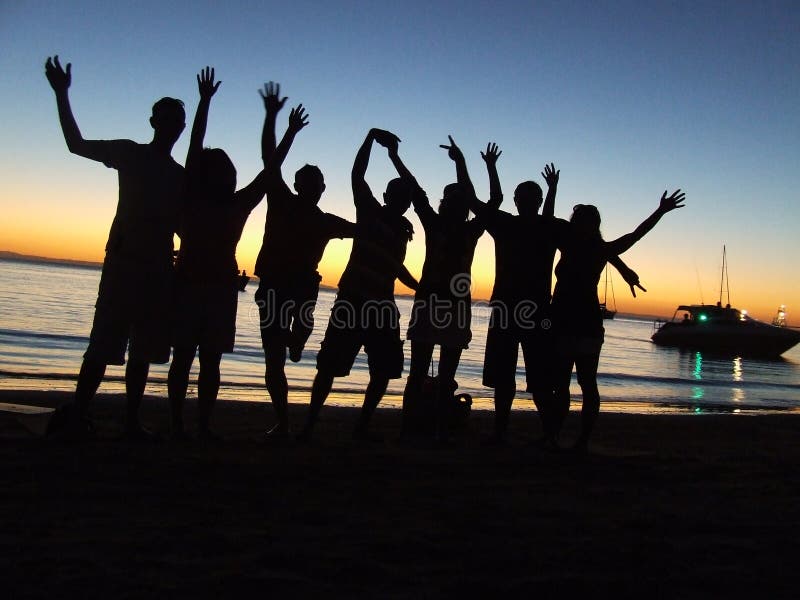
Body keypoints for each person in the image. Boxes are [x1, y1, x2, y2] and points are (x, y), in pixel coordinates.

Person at [44, 56, 185, 439]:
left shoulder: (180, 177)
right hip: (124, 264)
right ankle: (80, 411)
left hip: (157, 269)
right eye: (167, 119)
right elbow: (76, 144)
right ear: (154, 122)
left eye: (179, 122)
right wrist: (62, 93)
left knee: (141, 351)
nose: (173, 127)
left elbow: (185, 227)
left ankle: (131, 421)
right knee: (104, 343)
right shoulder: (130, 153)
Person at [468, 161, 641, 446]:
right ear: (519, 200)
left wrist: (623, 269)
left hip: (534, 312)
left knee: (539, 380)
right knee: (518, 378)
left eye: (530, 198)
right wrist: (482, 166)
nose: (526, 202)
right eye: (525, 198)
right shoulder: (517, 224)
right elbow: (598, 246)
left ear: (532, 201)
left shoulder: (547, 227)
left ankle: (544, 433)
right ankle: (524, 433)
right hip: (524, 311)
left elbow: (593, 246)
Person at [166, 68, 269, 440]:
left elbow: (269, 172)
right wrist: (204, 102)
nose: (230, 176)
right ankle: (180, 423)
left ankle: (201, 424)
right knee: (185, 359)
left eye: (230, 171)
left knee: (208, 361)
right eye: (224, 170)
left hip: (217, 290)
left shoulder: (236, 204)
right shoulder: (194, 196)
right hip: (192, 285)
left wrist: (282, 128)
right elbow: (195, 147)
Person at [299, 129, 419, 441]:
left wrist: (419, 285)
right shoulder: (369, 211)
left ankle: (362, 425)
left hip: (382, 305)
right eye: (397, 195)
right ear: (386, 196)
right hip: (351, 300)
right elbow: (357, 174)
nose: (403, 201)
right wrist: (369, 139)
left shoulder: (403, 230)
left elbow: (395, 267)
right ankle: (310, 423)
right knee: (329, 366)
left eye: (406, 198)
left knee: (383, 370)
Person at [253, 89, 355, 438]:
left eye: (318, 183)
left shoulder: (325, 220)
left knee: (297, 326)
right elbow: (270, 160)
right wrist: (281, 125)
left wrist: (390, 224)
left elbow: (360, 229)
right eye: (308, 182)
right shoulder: (281, 200)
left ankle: (298, 340)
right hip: (275, 287)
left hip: (300, 287)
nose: (314, 187)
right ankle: (283, 421)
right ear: (299, 185)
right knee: (273, 360)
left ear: (323, 188)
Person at [550, 191, 685, 452]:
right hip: (563, 321)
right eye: (579, 220)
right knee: (562, 384)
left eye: (587, 221)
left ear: (594, 224)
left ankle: (581, 440)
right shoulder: (571, 242)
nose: (582, 225)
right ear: (575, 222)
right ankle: (556, 436)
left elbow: (635, 235)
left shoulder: (597, 249)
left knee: (585, 383)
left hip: (585, 323)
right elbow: (549, 220)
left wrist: (660, 211)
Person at [400, 136, 499, 439]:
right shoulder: (434, 222)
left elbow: (493, 201)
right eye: (451, 200)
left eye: (460, 202)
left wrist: (467, 164)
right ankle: (411, 427)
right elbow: (415, 189)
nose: (456, 204)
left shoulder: (470, 229)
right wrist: (394, 156)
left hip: (455, 306)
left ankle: (437, 427)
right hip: (433, 303)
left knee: (444, 376)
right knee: (419, 372)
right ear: (445, 204)